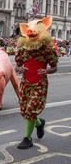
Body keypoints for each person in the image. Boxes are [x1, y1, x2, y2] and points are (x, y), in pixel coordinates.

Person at [15, 17, 57, 150]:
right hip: (26, 82)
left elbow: (55, 67)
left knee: (31, 109)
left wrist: (47, 71)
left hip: (40, 83)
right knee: (25, 110)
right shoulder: (23, 49)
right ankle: (39, 123)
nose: (31, 33)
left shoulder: (47, 50)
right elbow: (17, 66)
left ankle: (27, 138)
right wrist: (20, 69)